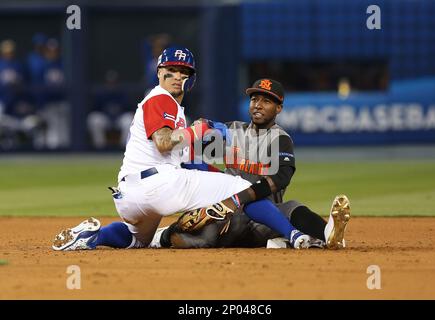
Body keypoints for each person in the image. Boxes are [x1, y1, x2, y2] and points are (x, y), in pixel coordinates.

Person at [52, 46, 321, 252]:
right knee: (241, 189)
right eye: (171, 70)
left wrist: (218, 174)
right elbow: (163, 142)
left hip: (130, 196)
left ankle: (92, 236)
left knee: (136, 241)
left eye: (184, 72)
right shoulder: (160, 99)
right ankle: (295, 236)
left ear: (190, 79)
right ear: (159, 72)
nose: (177, 76)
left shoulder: (175, 112)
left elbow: (191, 163)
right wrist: (200, 131)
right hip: (159, 185)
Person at [152, 79, 350, 249]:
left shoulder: (279, 139)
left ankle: (329, 234)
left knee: (292, 207)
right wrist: (199, 130)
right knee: (213, 222)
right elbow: (190, 151)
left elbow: (281, 178)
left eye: (266, 101)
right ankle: (165, 235)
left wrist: (240, 198)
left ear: (278, 108)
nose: (258, 105)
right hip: (226, 212)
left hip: (264, 218)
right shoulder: (233, 131)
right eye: (254, 99)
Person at [87, 70, 133, 149]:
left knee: (129, 120)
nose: (111, 84)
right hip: (106, 119)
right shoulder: (101, 93)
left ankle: (124, 148)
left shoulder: (122, 93)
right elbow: (95, 108)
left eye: (114, 82)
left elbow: (129, 108)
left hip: (119, 118)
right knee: (94, 119)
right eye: (110, 82)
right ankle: (100, 148)